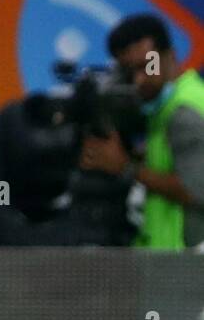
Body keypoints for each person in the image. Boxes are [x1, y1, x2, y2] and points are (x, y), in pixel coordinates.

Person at [79, 14, 204, 249]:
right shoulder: (165, 109)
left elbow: (196, 190)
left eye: (148, 66)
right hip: (169, 260)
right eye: (128, 71)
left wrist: (125, 166)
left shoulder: (183, 112)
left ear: (171, 56)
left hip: (188, 265)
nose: (139, 80)